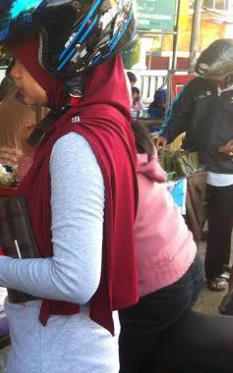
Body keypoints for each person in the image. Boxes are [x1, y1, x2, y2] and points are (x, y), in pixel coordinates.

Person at [0, 1, 138, 372]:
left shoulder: (76, 143)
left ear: (58, 61)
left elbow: (74, 280)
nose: (13, 73)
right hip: (76, 346)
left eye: (21, 60)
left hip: (58, 354)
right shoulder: (107, 120)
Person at [119, 121, 202, 372]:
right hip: (190, 266)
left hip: (157, 291)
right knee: (158, 354)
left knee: (121, 360)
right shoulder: (142, 157)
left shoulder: (112, 172)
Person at [158, 38, 233, 292]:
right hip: (191, 162)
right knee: (185, 219)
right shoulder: (195, 87)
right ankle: (185, 270)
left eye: (216, 76)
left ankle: (216, 271)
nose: (212, 81)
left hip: (226, 169)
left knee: (222, 225)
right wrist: (165, 134)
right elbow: (177, 115)